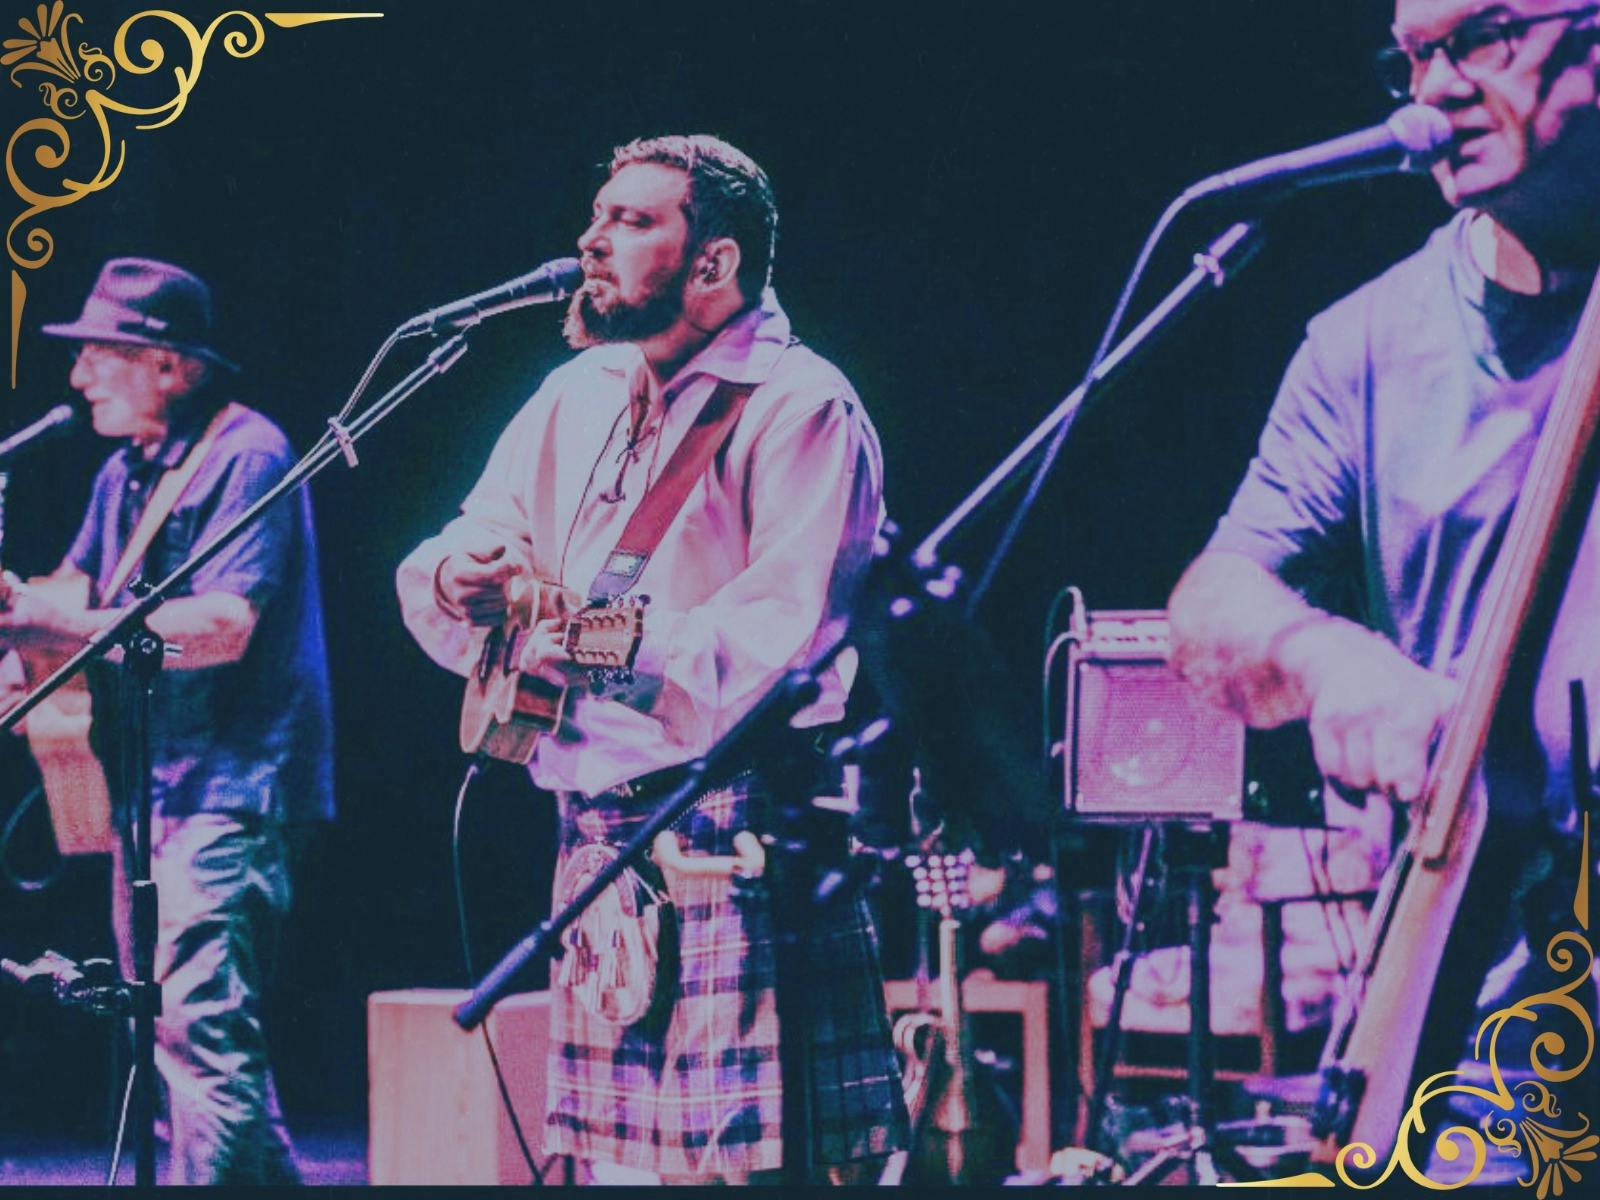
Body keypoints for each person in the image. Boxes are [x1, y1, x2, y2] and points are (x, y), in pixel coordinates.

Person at [397, 133, 907, 1184]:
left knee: (742, 1170)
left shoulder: (800, 405)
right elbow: (471, 529)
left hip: (734, 826)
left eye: (632, 221)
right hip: (594, 832)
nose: (591, 239)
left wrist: (577, 637)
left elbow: (787, 642)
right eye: (599, 215)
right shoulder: (575, 392)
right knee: (618, 1172)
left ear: (712, 263)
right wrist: (462, 576)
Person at [1167, 0, 1600, 1172]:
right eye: (1412, 58)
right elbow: (1211, 600)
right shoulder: (1366, 341)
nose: (1436, 88)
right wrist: (1329, 659)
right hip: (1491, 1047)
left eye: (1485, 35)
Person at [0, 258, 334, 1183]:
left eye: (98, 354)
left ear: (168, 365)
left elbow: (222, 628)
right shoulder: (125, 471)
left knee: (199, 1030)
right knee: (163, 1036)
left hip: (231, 785)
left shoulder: (248, 453)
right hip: (148, 790)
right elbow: (72, 596)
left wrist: (48, 619)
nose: (78, 377)